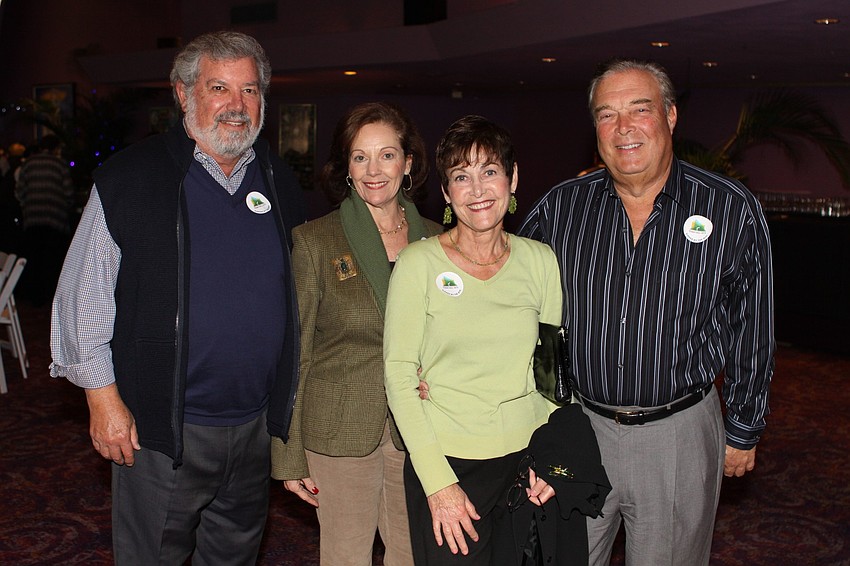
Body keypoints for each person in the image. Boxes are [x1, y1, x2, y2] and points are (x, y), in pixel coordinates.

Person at [50, 31, 305, 564]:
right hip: (161, 430)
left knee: (234, 555)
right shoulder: (131, 178)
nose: (237, 105)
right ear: (183, 94)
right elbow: (83, 299)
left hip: (255, 426)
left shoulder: (280, 180)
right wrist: (103, 401)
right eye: (219, 87)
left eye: (250, 90)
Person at [518, 58, 775, 566]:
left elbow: (754, 325)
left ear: (671, 116)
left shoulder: (729, 208)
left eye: (640, 109)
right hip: (580, 428)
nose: (623, 128)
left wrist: (744, 428)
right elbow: (508, 300)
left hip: (677, 435)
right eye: (607, 115)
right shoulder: (560, 209)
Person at [383, 115, 563, 565]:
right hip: (447, 464)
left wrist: (551, 454)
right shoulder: (417, 264)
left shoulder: (541, 262)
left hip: (526, 464)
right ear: (446, 193)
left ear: (513, 178)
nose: (477, 190)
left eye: (490, 172)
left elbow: (550, 375)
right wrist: (438, 483)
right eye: (461, 177)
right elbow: (399, 378)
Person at [270, 101, 442, 566]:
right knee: (346, 556)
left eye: (387, 155)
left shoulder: (439, 240)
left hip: (419, 432)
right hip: (339, 431)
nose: (373, 170)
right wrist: (288, 455)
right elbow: (295, 352)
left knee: (416, 555)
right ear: (345, 166)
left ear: (408, 164)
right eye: (360, 157)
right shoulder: (315, 241)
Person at [14, 134, 75, 304]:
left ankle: (33, 296)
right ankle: (50, 296)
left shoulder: (28, 164)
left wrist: (28, 204)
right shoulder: (60, 165)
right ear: (56, 148)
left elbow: (20, 192)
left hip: (33, 217)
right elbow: (68, 193)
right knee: (51, 259)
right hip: (54, 218)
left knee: (33, 258)